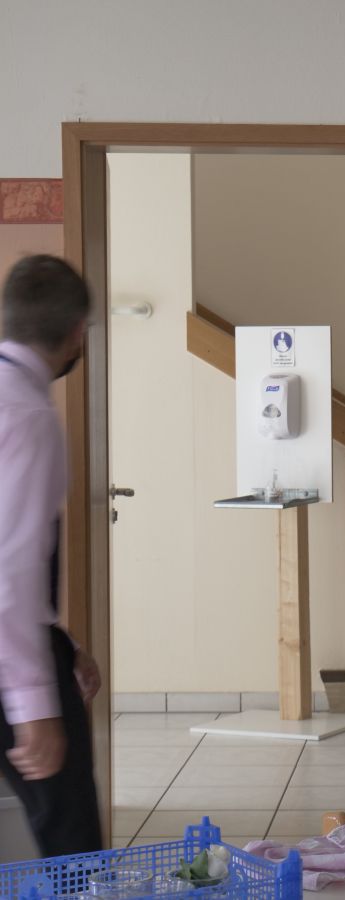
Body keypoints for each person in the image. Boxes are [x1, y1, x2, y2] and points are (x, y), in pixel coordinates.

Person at [0, 254, 102, 856]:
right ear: (77, 333)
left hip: (20, 638)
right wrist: (35, 702)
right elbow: (11, 570)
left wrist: (63, 645)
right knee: (72, 847)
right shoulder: (29, 417)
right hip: (11, 661)